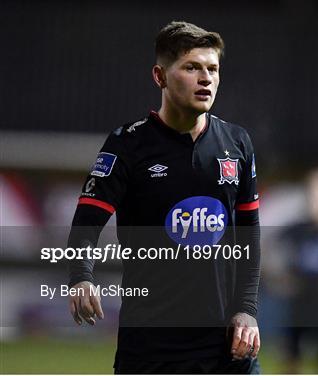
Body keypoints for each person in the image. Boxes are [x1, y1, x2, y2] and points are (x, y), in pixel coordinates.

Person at [66, 21, 261, 374]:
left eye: (212, 69)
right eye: (191, 67)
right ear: (160, 76)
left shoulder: (237, 144)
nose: (206, 78)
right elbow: (87, 220)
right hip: (152, 346)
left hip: (226, 346)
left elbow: (249, 234)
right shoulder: (128, 145)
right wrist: (81, 275)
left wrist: (247, 308)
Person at [279, 168, 318, 373]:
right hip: (300, 301)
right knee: (292, 354)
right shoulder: (295, 231)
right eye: (314, 194)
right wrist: (282, 278)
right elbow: (271, 256)